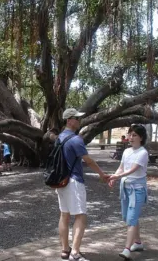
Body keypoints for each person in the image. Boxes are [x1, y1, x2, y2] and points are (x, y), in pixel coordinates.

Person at [56, 108, 110, 261]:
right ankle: (75, 253)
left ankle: (65, 250)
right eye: (77, 119)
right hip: (74, 181)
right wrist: (102, 174)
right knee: (81, 216)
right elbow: (89, 161)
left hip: (61, 182)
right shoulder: (76, 139)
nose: (79, 121)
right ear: (69, 120)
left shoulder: (59, 138)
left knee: (64, 215)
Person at [108, 124, 149, 260]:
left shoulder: (143, 152)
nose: (131, 137)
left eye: (134, 135)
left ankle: (126, 249)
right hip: (125, 188)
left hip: (137, 189)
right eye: (130, 134)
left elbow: (133, 169)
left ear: (141, 138)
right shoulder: (126, 151)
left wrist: (117, 177)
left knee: (131, 219)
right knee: (129, 217)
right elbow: (121, 167)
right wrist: (114, 177)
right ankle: (137, 243)